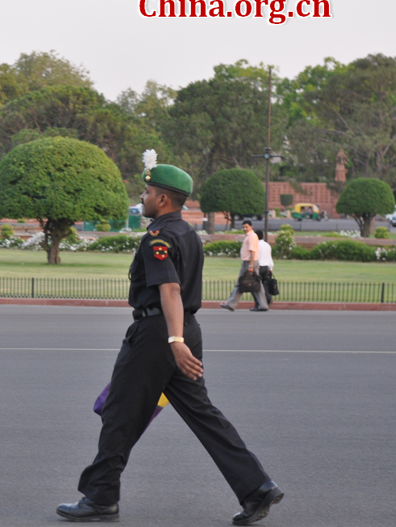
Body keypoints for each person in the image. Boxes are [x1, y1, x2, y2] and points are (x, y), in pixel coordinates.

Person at [57, 153, 283, 525]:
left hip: (159, 335)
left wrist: (173, 340)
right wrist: (181, 338)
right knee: (202, 414)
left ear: (162, 199)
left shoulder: (158, 238)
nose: (141, 198)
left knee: (119, 413)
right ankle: (257, 487)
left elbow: (171, 290)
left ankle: (100, 498)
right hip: (185, 331)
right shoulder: (188, 234)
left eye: (146, 192)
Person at [220, 220, 268, 312]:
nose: (244, 229)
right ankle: (263, 305)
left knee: (243, 283)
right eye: (243, 227)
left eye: (246, 227)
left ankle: (231, 304)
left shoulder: (252, 236)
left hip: (249, 262)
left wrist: (251, 265)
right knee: (255, 283)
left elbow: (253, 251)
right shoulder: (249, 236)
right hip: (249, 262)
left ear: (251, 227)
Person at [252, 230, 274, 309]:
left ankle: (258, 303)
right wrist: (271, 268)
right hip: (266, 267)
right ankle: (268, 298)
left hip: (259, 267)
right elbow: (269, 257)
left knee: (254, 287)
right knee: (264, 286)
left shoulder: (255, 245)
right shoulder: (267, 245)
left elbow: (254, 257)